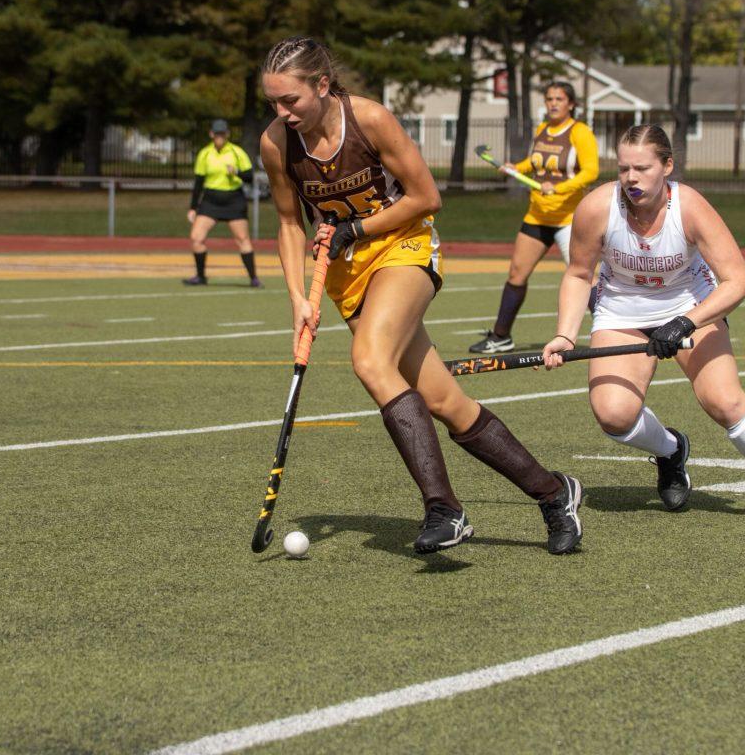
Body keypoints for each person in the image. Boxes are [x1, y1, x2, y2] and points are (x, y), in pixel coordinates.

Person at [259, 36, 584, 554]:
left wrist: (358, 228)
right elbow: (287, 222)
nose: (282, 112)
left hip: (403, 245)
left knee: (369, 359)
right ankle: (554, 493)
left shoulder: (369, 120)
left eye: (290, 100)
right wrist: (300, 297)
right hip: (348, 270)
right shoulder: (277, 142)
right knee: (443, 401)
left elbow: (426, 196)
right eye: (273, 102)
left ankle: (444, 508)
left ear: (321, 85)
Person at [541, 124, 745, 523]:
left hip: (690, 304)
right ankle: (671, 450)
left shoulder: (689, 207)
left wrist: (685, 322)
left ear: (667, 166)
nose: (631, 178)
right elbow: (578, 274)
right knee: (614, 415)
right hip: (622, 311)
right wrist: (564, 335)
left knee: (723, 401)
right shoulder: (596, 207)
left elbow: (738, 282)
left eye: (643, 168)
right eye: (623, 169)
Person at [469, 82, 598, 353]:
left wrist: (559, 188)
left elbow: (591, 172)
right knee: (517, 273)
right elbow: (535, 162)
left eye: (559, 99)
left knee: (584, 275)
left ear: (571, 104)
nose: (553, 103)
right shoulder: (542, 130)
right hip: (537, 216)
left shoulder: (580, 132)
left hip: (569, 219)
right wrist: (515, 167)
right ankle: (501, 336)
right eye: (549, 98)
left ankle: (613, 332)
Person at [184, 119, 261, 287]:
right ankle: (200, 276)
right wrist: (192, 207)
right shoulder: (205, 153)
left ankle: (253, 278)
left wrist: (237, 172)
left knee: (242, 239)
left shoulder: (237, 152)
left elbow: (249, 177)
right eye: (216, 133)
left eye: (222, 133)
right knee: (196, 238)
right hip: (210, 201)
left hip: (234, 200)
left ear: (227, 134)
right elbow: (198, 182)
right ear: (211, 134)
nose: (219, 136)